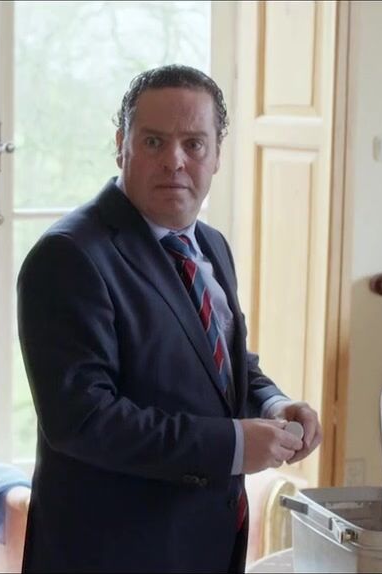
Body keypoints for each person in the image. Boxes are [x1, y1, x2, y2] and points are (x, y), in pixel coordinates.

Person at [16, 65, 322, 573]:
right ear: (122, 145)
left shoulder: (211, 245)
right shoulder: (68, 255)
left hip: (206, 543)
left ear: (217, 155)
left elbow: (221, 365)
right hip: (111, 554)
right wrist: (233, 445)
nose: (174, 161)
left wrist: (273, 403)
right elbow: (83, 419)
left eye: (194, 144)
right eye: (154, 141)